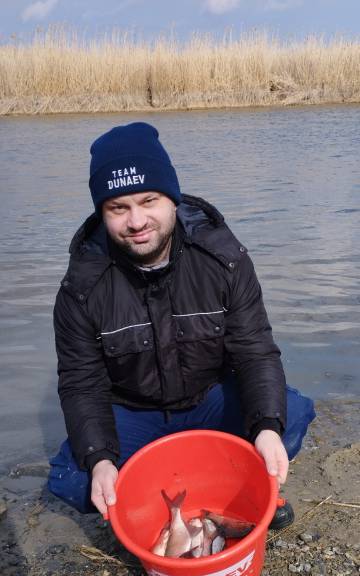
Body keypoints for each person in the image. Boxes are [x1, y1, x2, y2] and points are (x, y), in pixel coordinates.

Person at [48, 122, 315, 525]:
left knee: (287, 415)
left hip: (208, 398)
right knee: (73, 478)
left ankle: (238, 488)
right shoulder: (80, 288)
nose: (137, 221)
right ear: (102, 213)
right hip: (134, 411)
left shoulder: (225, 261)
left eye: (148, 200)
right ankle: (164, 502)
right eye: (118, 208)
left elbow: (254, 350)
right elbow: (81, 382)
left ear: (171, 198)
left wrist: (265, 427)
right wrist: (101, 458)